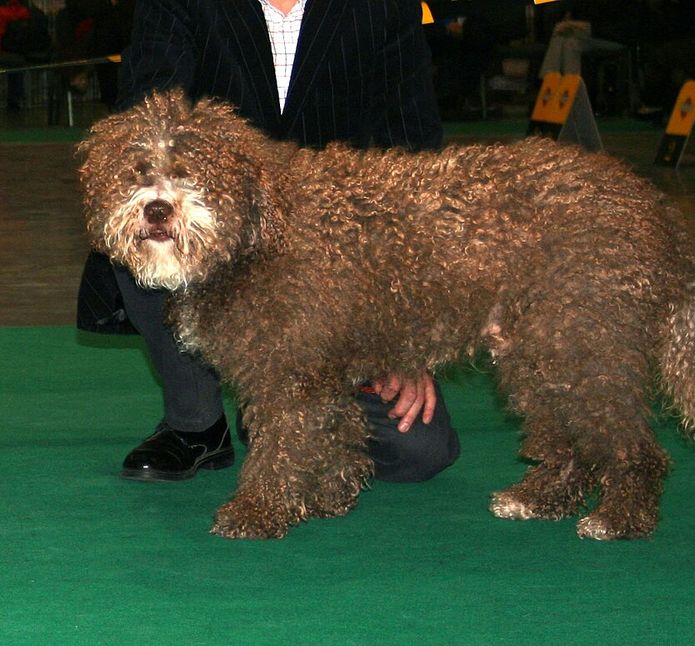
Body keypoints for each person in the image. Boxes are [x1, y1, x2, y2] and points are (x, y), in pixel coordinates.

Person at [77, 0, 460, 484]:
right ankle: (196, 423)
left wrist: (403, 340)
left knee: (417, 452)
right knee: (145, 229)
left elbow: (413, 170)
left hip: (334, 259)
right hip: (214, 226)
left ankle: (286, 396)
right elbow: (144, 119)